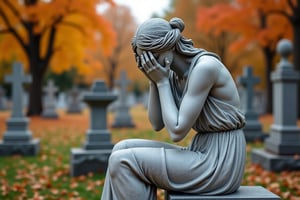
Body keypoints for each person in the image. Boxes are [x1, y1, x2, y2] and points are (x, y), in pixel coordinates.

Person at [101, 17, 246, 200]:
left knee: (122, 161)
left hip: (220, 161)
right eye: (143, 59)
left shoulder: (204, 68)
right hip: (200, 150)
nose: (148, 64)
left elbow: (177, 131)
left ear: (169, 48)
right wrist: (153, 80)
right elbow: (156, 123)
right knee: (121, 147)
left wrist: (161, 81)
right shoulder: (172, 74)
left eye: (151, 57)